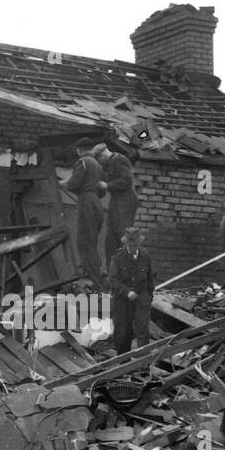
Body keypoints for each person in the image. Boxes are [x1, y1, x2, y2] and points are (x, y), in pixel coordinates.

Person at [60, 137, 107, 285]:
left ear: (80, 150)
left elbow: (74, 184)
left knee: (85, 241)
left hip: (86, 202)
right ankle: (92, 274)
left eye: (77, 150)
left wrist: (63, 183)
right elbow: (102, 190)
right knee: (92, 240)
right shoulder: (98, 165)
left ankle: (93, 280)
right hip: (97, 203)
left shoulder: (82, 162)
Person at [107, 226, 154, 355]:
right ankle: (123, 364)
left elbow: (150, 281)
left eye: (134, 245)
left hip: (141, 300)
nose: (132, 248)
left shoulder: (146, 257)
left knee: (143, 331)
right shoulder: (117, 257)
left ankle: (143, 364)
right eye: (130, 245)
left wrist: (148, 299)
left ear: (139, 244)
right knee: (123, 332)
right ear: (126, 244)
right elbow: (113, 280)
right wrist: (127, 292)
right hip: (122, 301)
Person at [96, 143, 137, 255]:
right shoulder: (109, 163)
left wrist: (107, 185)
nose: (100, 164)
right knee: (111, 237)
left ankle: (128, 264)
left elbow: (126, 180)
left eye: (99, 160)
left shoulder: (119, 160)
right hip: (116, 201)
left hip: (126, 201)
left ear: (102, 155)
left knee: (122, 233)